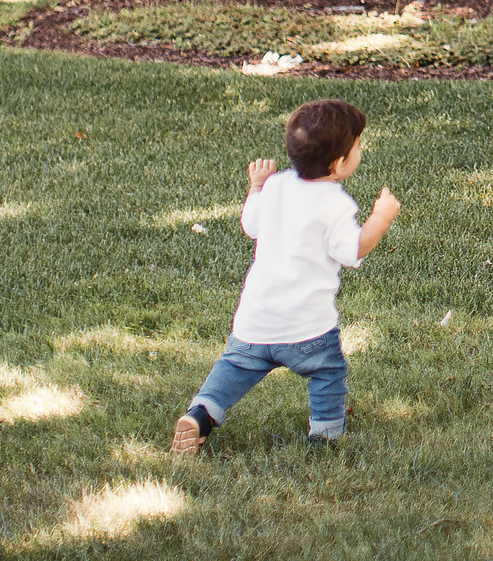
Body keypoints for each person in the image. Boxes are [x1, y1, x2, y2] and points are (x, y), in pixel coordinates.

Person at [171, 99, 401, 451]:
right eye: (358, 146)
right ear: (339, 163)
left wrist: (257, 187)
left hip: (255, 320)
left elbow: (251, 225)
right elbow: (353, 249)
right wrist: (381, 217)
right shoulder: (335, 204)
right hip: (307, 328)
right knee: (328, 373)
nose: (359, 152)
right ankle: (324, 436)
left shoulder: (276, 185)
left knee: (233, 367)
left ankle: (201, 413)